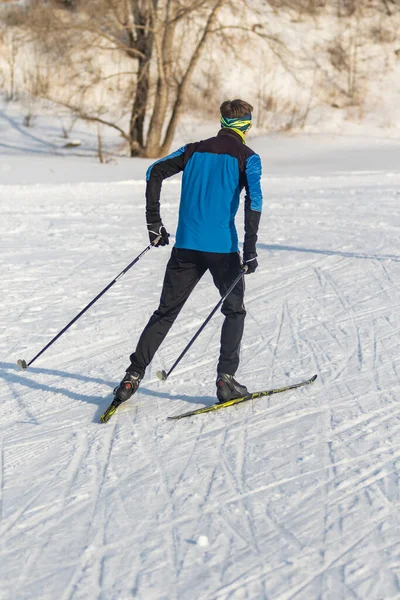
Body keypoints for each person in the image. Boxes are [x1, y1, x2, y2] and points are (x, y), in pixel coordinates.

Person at [114, 99, 263, 404]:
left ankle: (132, 376)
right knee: (234, 310)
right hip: (222, 250)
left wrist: (154, 223)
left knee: (166, 312)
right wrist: (249, 250)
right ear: (247, 125)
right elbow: (254, 202)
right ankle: (226, 379)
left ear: (222, 122)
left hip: (186, 247)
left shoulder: (192, 149)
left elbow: (154, 171)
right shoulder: (249, 157)